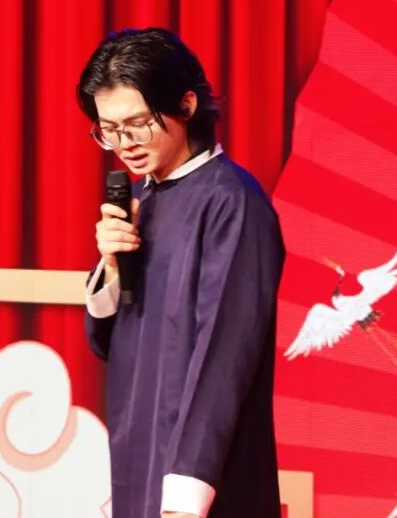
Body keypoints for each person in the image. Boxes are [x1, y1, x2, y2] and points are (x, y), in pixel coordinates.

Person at [77, 28, 285, 518]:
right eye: (109, 129)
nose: (124, 144)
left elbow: (224, 356)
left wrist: (187, 493)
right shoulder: (140, 200)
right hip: (140, 452)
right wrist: (111, 267)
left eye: (138, 124)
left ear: (187, 104)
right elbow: (110, 343)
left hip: (205, 479)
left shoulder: (231, 202)